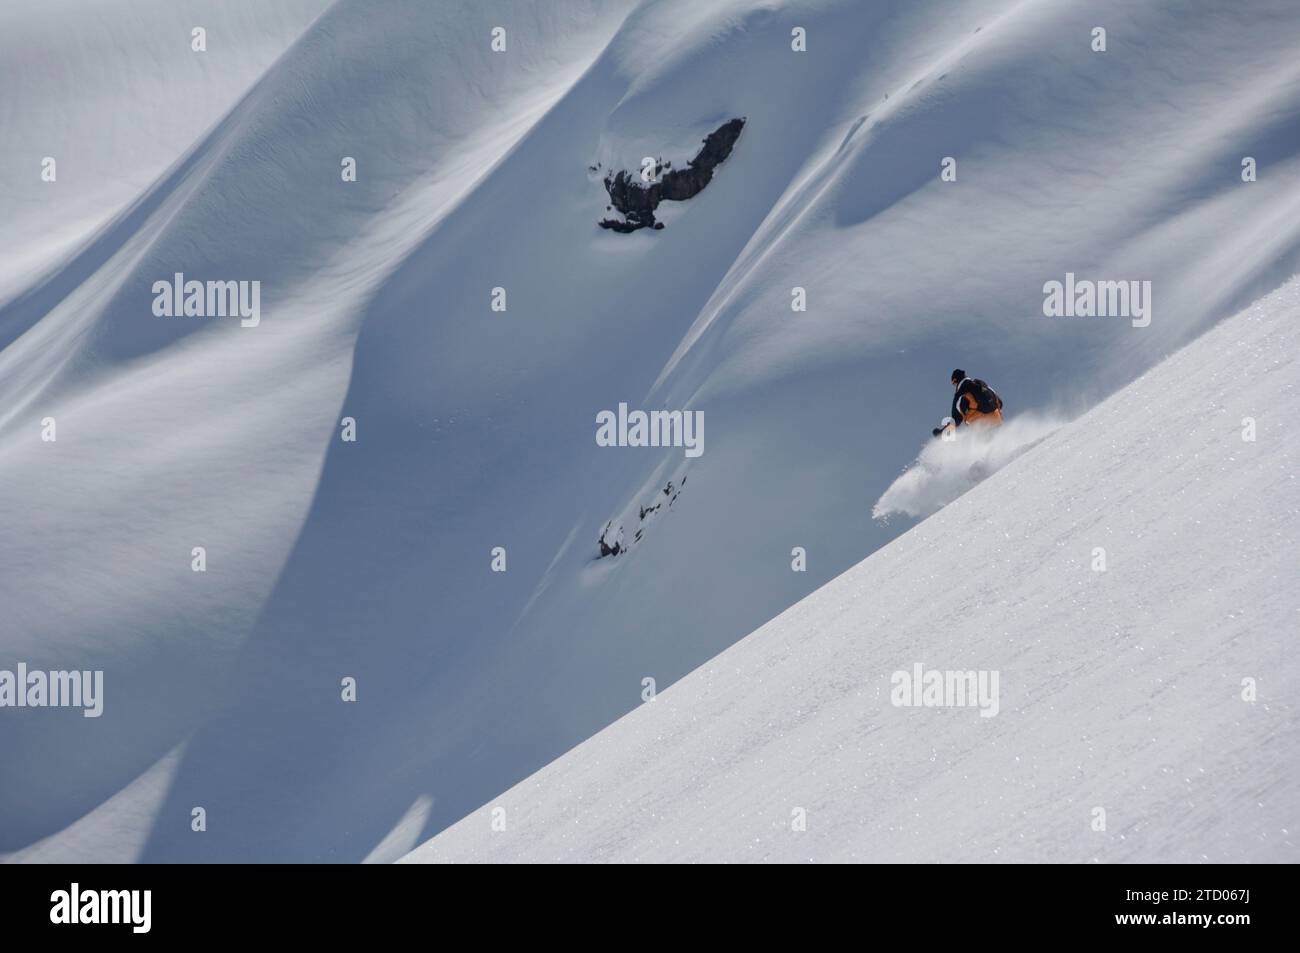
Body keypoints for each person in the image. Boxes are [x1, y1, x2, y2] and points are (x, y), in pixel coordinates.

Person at [933, 368, 1003, 437]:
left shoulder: (959, 394)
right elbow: (1000, 402)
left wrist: (942, 432)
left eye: (953, 384)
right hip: (997, 420)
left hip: (981, 425)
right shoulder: (981, 383)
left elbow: (956, 419)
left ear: (955, 380)